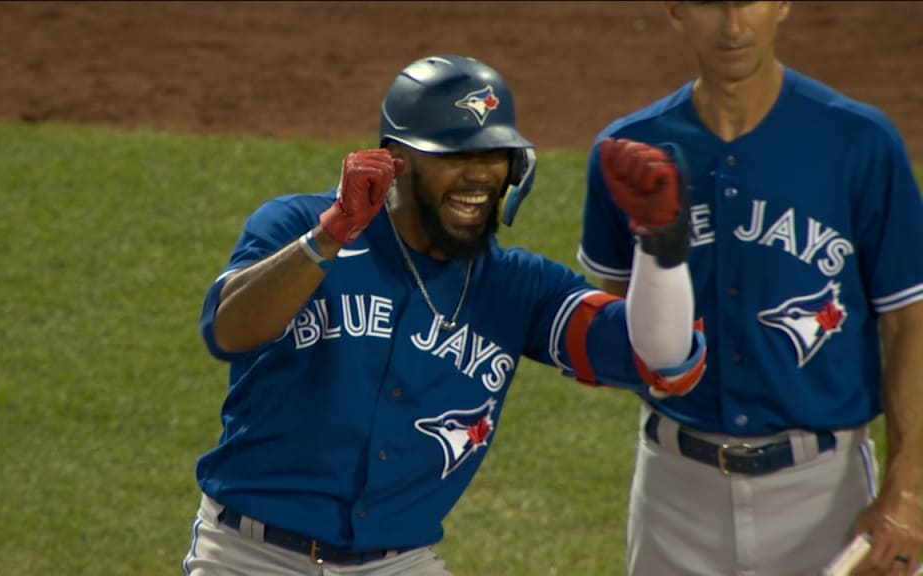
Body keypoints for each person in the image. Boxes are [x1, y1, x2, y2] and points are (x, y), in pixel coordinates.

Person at [181, 53, 707, 576]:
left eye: (494, 154)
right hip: (251, 556)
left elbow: (661, 360)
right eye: (454, 154)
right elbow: (228, 330)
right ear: (394, 160)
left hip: (398, 564)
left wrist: (660, 247)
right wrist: (329, 236)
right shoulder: (298, 226)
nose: (478, 175)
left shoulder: (520, 287)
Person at [578, 2, 923, 576]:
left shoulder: (859, 143)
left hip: (826, 494)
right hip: (675, 496)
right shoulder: (630, 152)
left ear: (782, 4)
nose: (734, 26)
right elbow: (615, 339)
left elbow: (911, 321)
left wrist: (907, 491)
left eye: (750, 1)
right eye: (712, 4)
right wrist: (653, 250)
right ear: (675, 10)